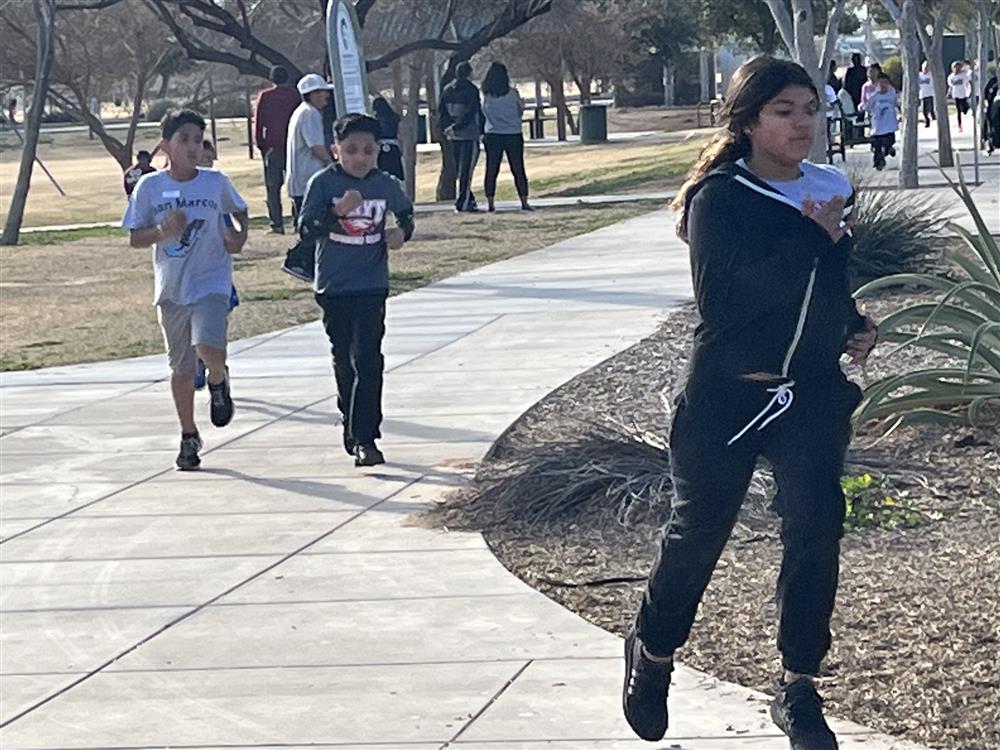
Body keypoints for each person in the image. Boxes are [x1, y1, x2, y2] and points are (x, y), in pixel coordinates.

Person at [621, 56, 878, 750]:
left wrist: (852, 323)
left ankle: (797, 685)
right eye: (784, 112)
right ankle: (652, 652)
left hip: (811, 395)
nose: (803, 124)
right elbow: (725, 299)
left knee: (817, 526)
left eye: (810, 110)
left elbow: (822, 284)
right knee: (698, 533)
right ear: (749, 120)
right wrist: (812, 236)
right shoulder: (720, 197)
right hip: (727, 396)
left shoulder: (826, 188)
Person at [122, 110, 249, 471]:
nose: (193, 147)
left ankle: (218, 378)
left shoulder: (215, 182)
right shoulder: (150, 187)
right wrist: (162, 231)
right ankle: (189, 435)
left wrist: (238, 237)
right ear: (166, 146)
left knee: (208, 345)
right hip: (172, 287)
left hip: (211, 279)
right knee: (180, 368)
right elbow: (135, 238)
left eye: (198, 140)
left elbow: (240, 213)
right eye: (184, 140)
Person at [298, 113, 414, 467]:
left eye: (367, 150)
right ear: (336, 151)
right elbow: (305, 229)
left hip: (371, 284)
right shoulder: (323, 183)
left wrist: (400, 234)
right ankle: (349, 420)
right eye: (351, 150)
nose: (359, 157)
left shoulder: (386, 184)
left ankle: (367, 437)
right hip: (334, 286)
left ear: (378, 150)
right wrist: (337, 211)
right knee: (345, 361)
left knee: (369, 360)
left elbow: (406, 217)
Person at [193, 139, 241, 391]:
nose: (205, 166)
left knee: (214, 320)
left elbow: (232, 222)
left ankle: (215, 365)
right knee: (189, 321)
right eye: (202, 161)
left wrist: (234, 237)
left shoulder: (217, 189)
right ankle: (199, 359)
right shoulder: (170, 188)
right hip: (185, 272)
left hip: (215, 271)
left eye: (209, 162)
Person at [282, 73, 336, 281]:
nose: (326, 96)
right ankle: (297, 260)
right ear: (311, 94)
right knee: (314, 223)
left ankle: (309, 264)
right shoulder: (310, 114)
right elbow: (316, 147)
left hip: (301, 179)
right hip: (308, 180)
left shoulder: (301, 112)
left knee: (311, 222)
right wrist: (333, 166)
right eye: (322, 92)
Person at [253, 65, 301, 235]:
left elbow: (259, 123)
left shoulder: (265, 97)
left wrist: (261, 145)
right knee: (295, 185)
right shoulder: (295, 96)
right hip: (293, 147)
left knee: (273, 188)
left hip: (272, 147)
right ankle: (298, 221)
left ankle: (277, 224)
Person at [481, 62, 532, 212]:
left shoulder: (486, 95)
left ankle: (490, 203)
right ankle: (524, 201)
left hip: (493, 134)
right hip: (513, 134)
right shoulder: (512, 93)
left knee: (491, 169)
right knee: (518, 168)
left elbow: (484, 113)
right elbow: (519, 111)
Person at [439, 61, 484, 213]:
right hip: (468, 134)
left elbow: (442, 111)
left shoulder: (447, 90)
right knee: (467, 170)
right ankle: (463, 202)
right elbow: (471, 112)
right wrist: (458, 127)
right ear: (469, 73)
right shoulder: (471, 90)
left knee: (459, 169)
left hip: (453, 135)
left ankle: (469, 199)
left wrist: (448, 127)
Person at [865, 73, 899, 170]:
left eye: (885, 83)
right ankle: (878, 163)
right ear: (877, 85)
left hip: (890, 124)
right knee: (878, 145)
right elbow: (867, 107)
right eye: (881, 83)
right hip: (878, 126)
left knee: (889, 141)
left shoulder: (892, 95)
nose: (883, 85)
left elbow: (898, 104)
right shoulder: (874, 97)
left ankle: (889, 149)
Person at [372, 96, 404, 181]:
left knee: (384, 169)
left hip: (382, 148)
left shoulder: (376, 121)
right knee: (396, 168)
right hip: (394, 146)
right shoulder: (395, 117)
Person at [948, 60, 972, 132]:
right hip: (956, 95)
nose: (957, 69)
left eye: (958, 67)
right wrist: (949, 94)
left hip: (963, 94)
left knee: (965, 109)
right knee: (958, 110)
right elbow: (950, 85)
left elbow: (969, 78)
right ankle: (959, 124)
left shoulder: (964, 75)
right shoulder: (951, 77)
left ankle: (967, 109)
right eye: (955, 68)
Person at [919, 60, 935, 128]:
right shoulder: (919, 75)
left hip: (930, 94)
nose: (925, 68)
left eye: (927, 67)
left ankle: (933, 116)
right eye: (924, 67)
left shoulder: (931, 75)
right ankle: (927, 121)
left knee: (931, 108)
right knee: (924, 110)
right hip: (923, 94)